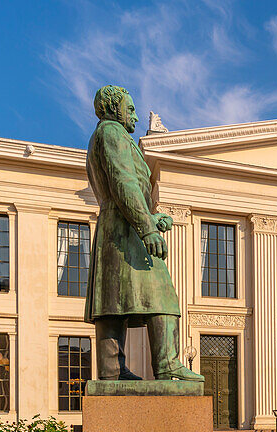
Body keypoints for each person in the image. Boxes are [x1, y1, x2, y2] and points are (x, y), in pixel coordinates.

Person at [84, 84, 203, 382]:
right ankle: (166, 364)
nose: (135, 118)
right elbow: (124, 183)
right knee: (164, 298)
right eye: (131, 109)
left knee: (112, 304)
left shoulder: (109, 135)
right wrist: (148, 228)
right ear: (113, 109)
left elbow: (128, 187)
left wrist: (152, 217)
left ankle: (112, 371)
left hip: (120, 225)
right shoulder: (111, 133)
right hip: (126, 229)